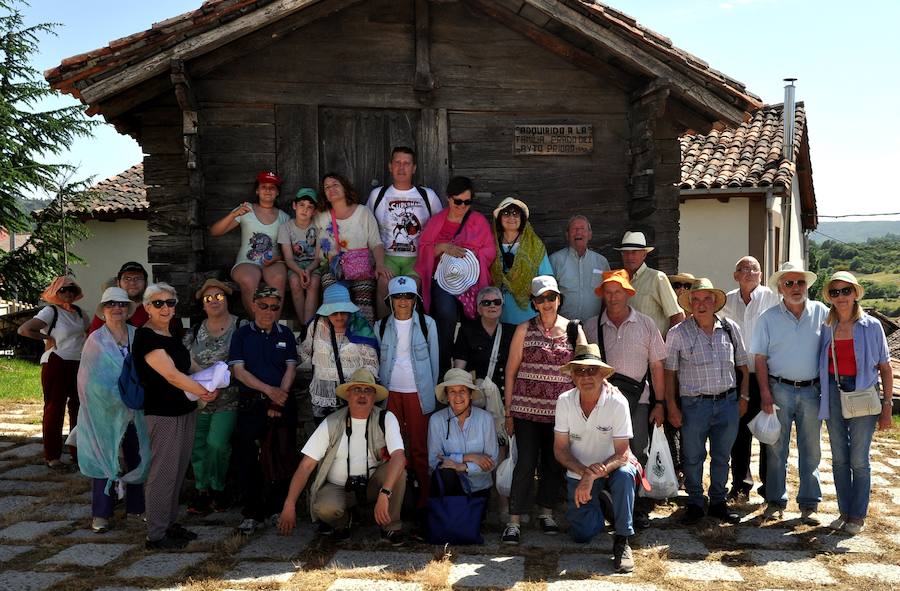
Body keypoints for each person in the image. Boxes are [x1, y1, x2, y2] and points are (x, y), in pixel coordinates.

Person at [132, 282, 218, 550]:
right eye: (158, 303)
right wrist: (203, 390)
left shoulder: (172, 334)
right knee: (163, 473)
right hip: (163, 414)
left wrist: (215, 375)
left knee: (178, 471)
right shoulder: (147, 337)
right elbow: (171, 374)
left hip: (184, 410)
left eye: (170, 303)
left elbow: (190, 365)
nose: (165, 308)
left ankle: (169, 524)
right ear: (147, 307)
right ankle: (156, 535)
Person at [277, 368, 407, 545]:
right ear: (348, 395)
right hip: (338, 487)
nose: (362, 395)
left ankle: (390, 527)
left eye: (367, 390)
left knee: (399, 471)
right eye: (357, 390)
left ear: (374, 397)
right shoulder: (331, 422)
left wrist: (385, 492)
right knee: (324, 507)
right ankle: (342, 523)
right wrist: (289, 504)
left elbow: (399, 457)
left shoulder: (386, 418)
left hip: (373, 486)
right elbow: (306, 466)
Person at [502, 276, 585, 545]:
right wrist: (508, 412)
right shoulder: (524, 329)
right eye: (541, 299)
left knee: (552, 463)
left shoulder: (574, 329)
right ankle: (514, 520)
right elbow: (511, 372)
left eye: (551, 297)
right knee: (525, 462)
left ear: (559, 299)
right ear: (534, 304)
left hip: (560, 414)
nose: (547, 303)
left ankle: (546, 513)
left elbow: (583, 370)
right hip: (525, 411)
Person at [584, 269, 666, 529]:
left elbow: (657, 367)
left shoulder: (646, 324)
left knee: (637, 451)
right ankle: (604, 502)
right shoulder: (590, 326)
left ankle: (637, 507)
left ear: (628, 293)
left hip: (638, 402)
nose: (613, 296)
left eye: (618, 291)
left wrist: (660, 403)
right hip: (601, 404)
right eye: (608, 292)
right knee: (603, 452)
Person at [665, 278, 749, 525]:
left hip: (727, 403)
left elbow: (743, 366)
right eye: (696, 300)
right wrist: (671, 405)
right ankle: (694, 502)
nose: (701, 305)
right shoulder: (677, 333)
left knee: (723, 455)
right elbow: (669, 373)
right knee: (693, 456)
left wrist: (743, 397)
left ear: (715, 302)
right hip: (694, 405)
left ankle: (718, 502)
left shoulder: (731, 328)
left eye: (706, 299)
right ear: (690, 304)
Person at [750, 261, 828, 525]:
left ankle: (809, 505)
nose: (796, 287)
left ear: (807, 285)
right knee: (775, 449)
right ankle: (775, 501)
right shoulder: (768, 318)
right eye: (789, 283)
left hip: (812, 390)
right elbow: (759, 359)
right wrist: (765, 394)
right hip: (778, 389)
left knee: (812, 450)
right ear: (780, 289)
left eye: (800, 282)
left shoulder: (822, 313)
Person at [817, 271, 893, 535]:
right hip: (834, 393)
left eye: (845, 291)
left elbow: (885, 367)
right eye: (835, 292)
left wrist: (887, 406)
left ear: (855, 293)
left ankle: (857, 515)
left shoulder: (871, 326)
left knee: (859, 459)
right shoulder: (827, 326)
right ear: (830, 297)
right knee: (839, 458)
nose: (841, 297)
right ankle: (844, 511)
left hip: (863, 392)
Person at [553, 344, 637, 573]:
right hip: (580, 473)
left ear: (602, 374)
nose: (586, 376)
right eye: (580, 371)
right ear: (572, 376)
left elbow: (622, 453)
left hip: (612, 467)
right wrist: (586, 473)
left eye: (592, 370)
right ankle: (605, 504)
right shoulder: (564, 401)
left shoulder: (618, 402)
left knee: (625, 474)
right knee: (582, 535)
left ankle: (622, 540)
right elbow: (560, 449)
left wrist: (591, 475)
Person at [76, 287, 150, 534]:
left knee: (137, 456)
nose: (117, 309)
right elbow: (87, 381)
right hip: (104, 412)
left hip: (135, 410)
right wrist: (111, 399)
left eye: (121, 304)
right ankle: (101, 514)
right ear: (103, 310)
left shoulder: (138, 336)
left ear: (128, 310)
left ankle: (136, 508)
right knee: (103, 458)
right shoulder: (95, 340)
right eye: (111, 304)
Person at [228, 286, 299, 535]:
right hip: (252, 403)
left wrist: (278, 398)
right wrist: (269, 391)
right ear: (254, 304)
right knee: (248, 459)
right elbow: (239, 371)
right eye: (264, 305)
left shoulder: (286, 334)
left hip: (281, 403)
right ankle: (251, 513)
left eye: (274, 307)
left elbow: (291, 369)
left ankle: (277, 509)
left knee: (282, 455)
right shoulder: (242, 335)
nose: (269, 311)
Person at [415, 176, 496, 374]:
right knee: (446, 316)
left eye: (467, 202)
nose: (462, 206)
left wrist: (471, 253)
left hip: (470, 281)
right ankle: (443, 370)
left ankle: (470, 371)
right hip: (443, 280)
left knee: (472, 321)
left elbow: (490, 251)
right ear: (448, 199)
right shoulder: (437, 222)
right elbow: (424, 251)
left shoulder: (478, 221)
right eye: (458, 201)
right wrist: (443, 247)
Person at [376, 276, 439, 517]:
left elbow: (434, 362)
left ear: (416, 300)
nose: (403, 301)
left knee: (419, 450)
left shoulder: (427, 324)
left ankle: (423, 503)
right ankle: (397, 504)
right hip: (390, 395)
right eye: (398, 297)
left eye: (408, 296)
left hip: (418, 394)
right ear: (390, 300)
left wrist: (430, 397)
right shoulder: (380, 326)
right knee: (393, 449)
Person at [722, 256, 779, 501]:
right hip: (738, 374)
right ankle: (741, 486)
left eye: (754, 268)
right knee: (739, 432)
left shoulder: (772, 298)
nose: (749, 272)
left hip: (766, 373)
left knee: (768, 432)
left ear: (761, 273)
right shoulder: (727, 300)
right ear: (735, 275)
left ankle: (770, 487)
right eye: (743, 269)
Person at [18, 275, 89, 469]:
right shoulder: (50, 311)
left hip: (79, 364)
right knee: (54, 409)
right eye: (63, 290)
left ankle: (78, 453)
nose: (68, 293)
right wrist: (47, 337)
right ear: (55, 292)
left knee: (79, 410)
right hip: (56, 362)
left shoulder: (81, 313)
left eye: (72, 289)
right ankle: (52, 456)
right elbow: (24, 329)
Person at [184, 279, 241, 515]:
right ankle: (202, 491)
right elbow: (184, 361)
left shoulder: (240, 328)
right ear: (203, 305)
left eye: (219, 296)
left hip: (228, 400)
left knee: (217, 445)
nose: (214, 301)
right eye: (208, 298)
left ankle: (218, 487)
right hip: (199, 400)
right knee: (197, 447)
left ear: (227, 299)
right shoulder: (194, 331)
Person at [366, 146, 443, 318]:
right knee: (384, 284)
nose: (402, 168)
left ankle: (409, 333)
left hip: (416, 258)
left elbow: (441, 226)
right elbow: (367, 227)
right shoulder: (377, 195)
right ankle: (385, 330)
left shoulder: (428, 196)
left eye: (406, 163)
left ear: (414, 168)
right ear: (390, 166)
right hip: (387, 257)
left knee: (411, 289)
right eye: (397, 163)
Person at [209, 171, 290, 316]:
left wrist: (277, 259)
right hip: (247, 262)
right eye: (263, 186)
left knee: (279, 278)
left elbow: (288, 248)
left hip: (273, 262)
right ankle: (258, 325)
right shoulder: (246, 210)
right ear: (257, 190)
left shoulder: (284, 217)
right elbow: (215, 231)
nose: (267, 190)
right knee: (248, 280)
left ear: (277, 192)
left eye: (272, 187)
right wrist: (233, 214)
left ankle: (273, 327)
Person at [427, 369, 499, 524]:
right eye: (452, 391)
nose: (458, 396)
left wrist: (463, 467)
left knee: (470, 526)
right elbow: (434, 461)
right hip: (448, 489)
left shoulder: (485, 419)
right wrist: (470, 457)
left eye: (462, 391)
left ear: (471, 394)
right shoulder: (436, 420)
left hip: (479, 489)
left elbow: (491, 461)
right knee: (445, 472)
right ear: (446, 396)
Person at [299, 284, 379, 422]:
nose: (340, 317)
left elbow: (371, 364)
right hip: (323, 397)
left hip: (353, 398)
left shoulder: (360, 328)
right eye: (334, 313)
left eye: (344, 312)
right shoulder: (316, 325)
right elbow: (305, 350)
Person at [316, 172, 388, 323]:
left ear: (345, 188)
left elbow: (376, 243)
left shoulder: (363, 213)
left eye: (335, 184)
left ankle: (364, 336)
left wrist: (380, 265)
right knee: (332, 294)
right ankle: (336, 336)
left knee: (364, 301)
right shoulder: (321, 216)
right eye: (326, 187)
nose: (331, 189)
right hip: (332, 269)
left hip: (361, 268)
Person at [489, 197, 554, 325]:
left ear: (522, 218)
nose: (511, 218)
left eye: (515, 214)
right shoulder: (491, 244)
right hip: (498, 315)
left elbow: (546, 279)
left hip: (528, 316)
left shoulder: (534, 245)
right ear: (499, 218)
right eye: (506, 213)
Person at [615, 231, 684, 336]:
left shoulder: (657, 278)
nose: (629, 257)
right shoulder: (618, 280)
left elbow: (677, 316)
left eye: (634, 252)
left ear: (644, 254)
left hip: (652, 349)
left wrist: (666, 346)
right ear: (621, 255)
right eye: (626, 252)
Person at [549, 215, 610, 322]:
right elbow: (547, 295)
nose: (578, 232)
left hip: (594, 326)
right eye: (574, 229)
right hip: (563, 326)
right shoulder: (555, 260)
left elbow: (608, 294)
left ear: (590, 234)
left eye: (582, 229)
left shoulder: (602, 262)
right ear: (567, 235)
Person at [278, 187, 321, 326]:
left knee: (313, 284)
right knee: (295, 283)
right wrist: (299, 271)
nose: (305, 209)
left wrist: (308, 270)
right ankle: (305, 326)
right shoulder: (285, 227)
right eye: (301, 205)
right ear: (294, 206)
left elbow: (318, 257)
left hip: (313, 265)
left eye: (310, 207)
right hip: (294, 265)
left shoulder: (318, 226)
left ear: (314, 211)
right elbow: (289, 259)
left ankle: (308, 326)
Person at [88, 262, 150, 332]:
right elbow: (93, 340)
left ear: (146, 283)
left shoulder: (156, 308)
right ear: (118, 283)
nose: (132, 283)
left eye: (138, 278)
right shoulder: (108, 310)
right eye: (127, 278)